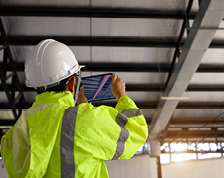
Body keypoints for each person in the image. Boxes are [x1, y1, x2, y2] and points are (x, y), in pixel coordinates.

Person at [1, 39, 148, 178]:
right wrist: (122, 97)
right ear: (72, 82)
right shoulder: (86, 120)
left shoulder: (13, 133)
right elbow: (137, 131)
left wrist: (82, 113)